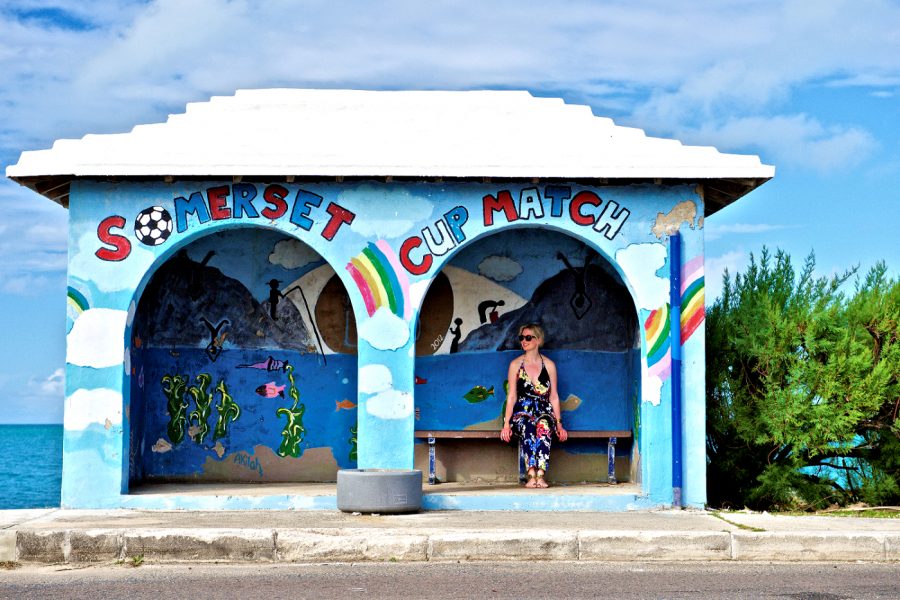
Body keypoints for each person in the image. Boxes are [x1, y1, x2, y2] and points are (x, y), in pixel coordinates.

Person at [500, 323, 568, 488]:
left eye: (528, 337)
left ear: (538, 340)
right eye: (521, 338)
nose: (524, 341)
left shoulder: (549, 366)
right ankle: (531, 474)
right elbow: (512, 396)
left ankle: (541, 474)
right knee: (528, 425)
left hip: (544, 410)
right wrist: (506, 424)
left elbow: (554, 396)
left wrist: (559, 424)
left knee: (544, 425)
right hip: (522, 412)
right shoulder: (515, 365)